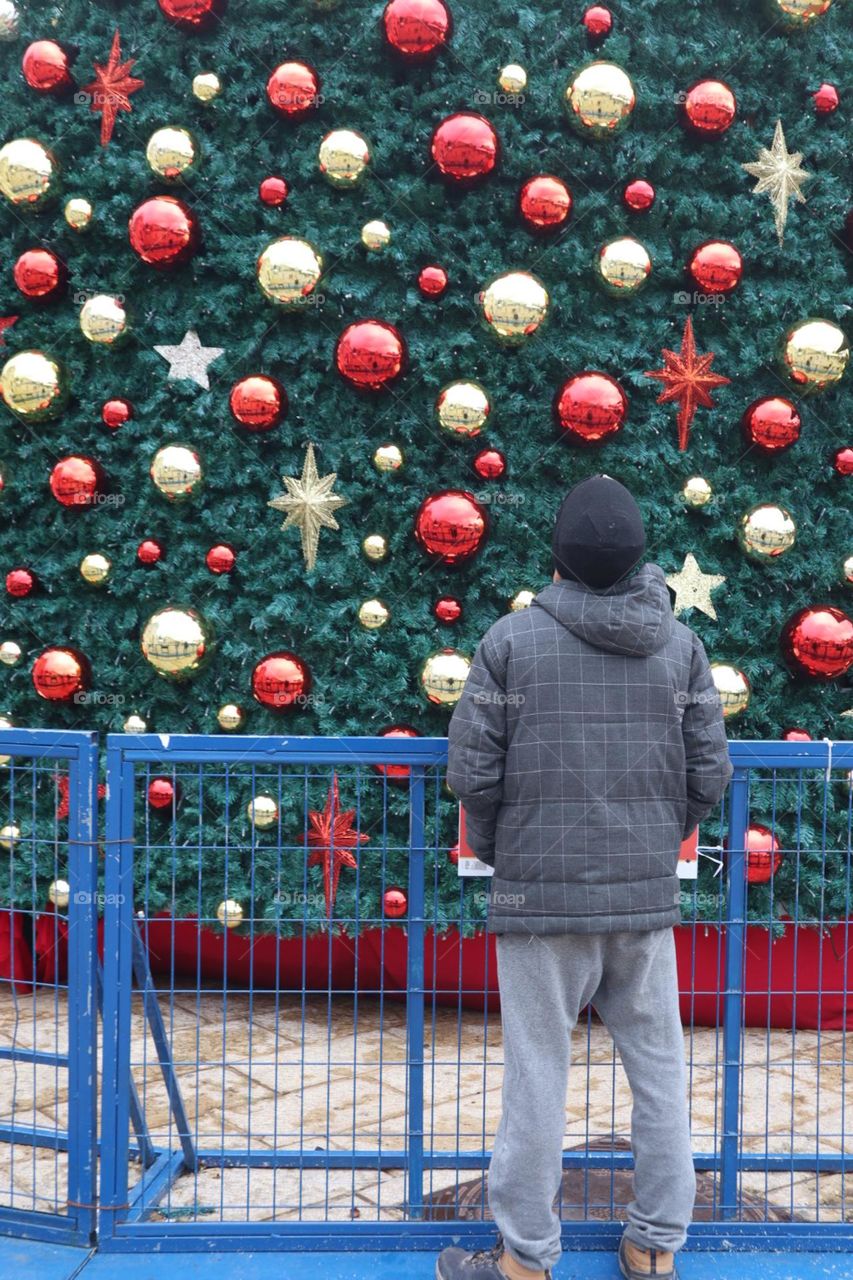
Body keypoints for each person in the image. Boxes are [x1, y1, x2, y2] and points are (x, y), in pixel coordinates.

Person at [438, 475, 733, 1280]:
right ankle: (653, 1246)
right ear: (641, 557)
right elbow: (709, 775)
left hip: (536, 900)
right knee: (659, 1068)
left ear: (557, 561)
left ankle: (525, 1260)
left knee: (538, 1073)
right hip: (643, 899)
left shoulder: (507, 641)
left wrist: (507, 851)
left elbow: (473, 774)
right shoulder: (680, 646)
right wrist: (651, 840)